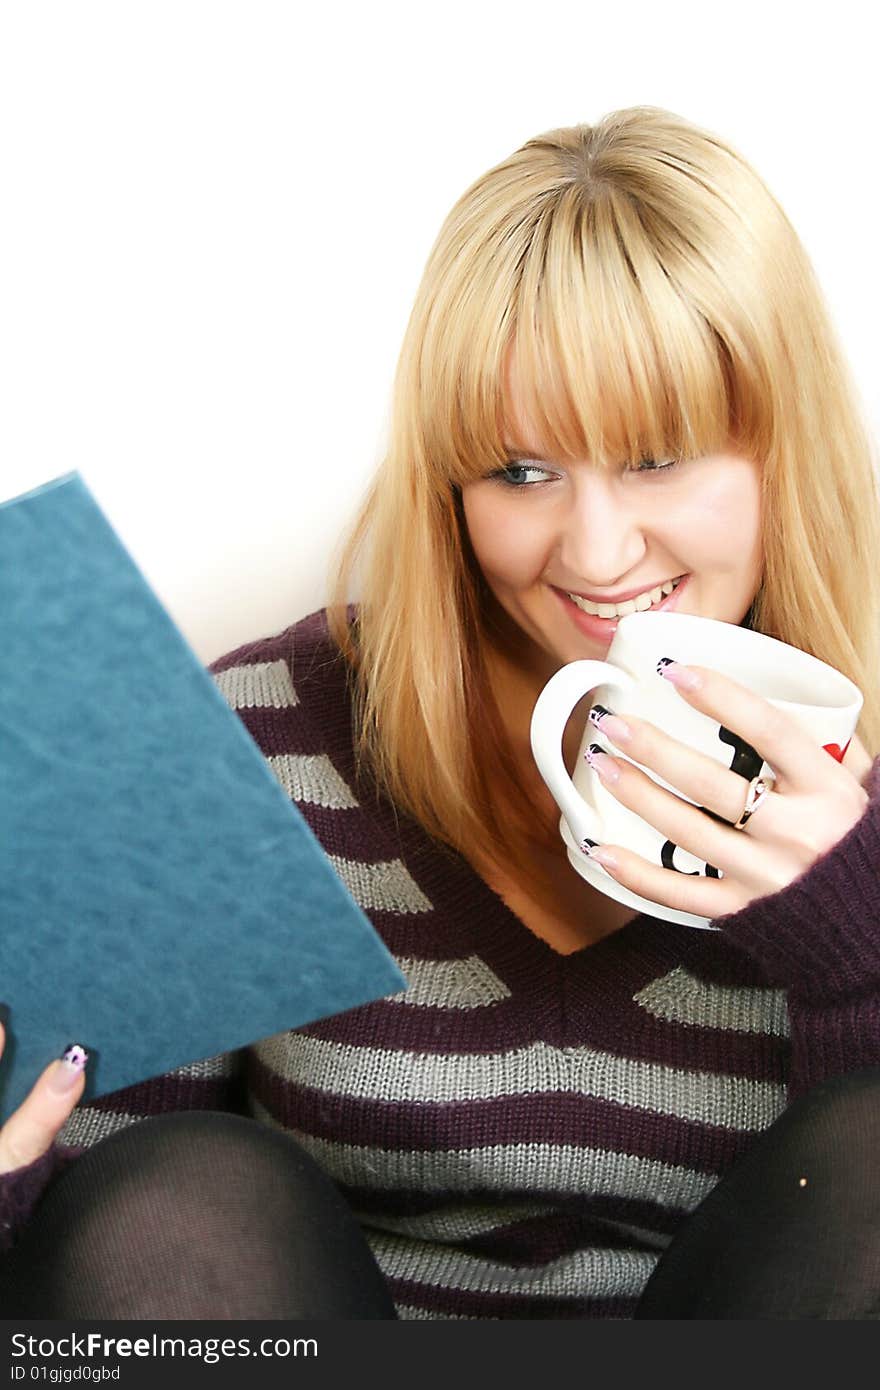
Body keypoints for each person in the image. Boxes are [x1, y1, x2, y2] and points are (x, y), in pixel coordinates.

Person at [2, 105, 880, 1321]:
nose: (598, 548)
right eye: (521, 471)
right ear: (448, 481)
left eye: (659, 455)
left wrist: (850, 955)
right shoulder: (261, 735)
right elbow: (95, 1253)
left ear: (783, 452)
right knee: (174, 1188)